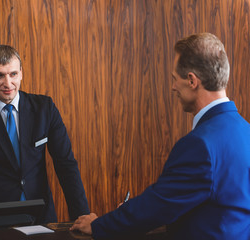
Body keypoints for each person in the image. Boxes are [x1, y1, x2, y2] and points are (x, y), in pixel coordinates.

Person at [70, 33, 250, 239]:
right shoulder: (246, 132)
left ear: (192, 80)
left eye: (175, 79)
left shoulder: (200, 145)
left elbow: (158, 205)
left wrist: (99, 225)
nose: (173, 87)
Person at [0, 45, 89, 223]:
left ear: (21, 73)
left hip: (42, 217)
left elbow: (66, 165)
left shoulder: (44, 108)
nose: (8, 84)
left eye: (13, 74)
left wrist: (82, 217)